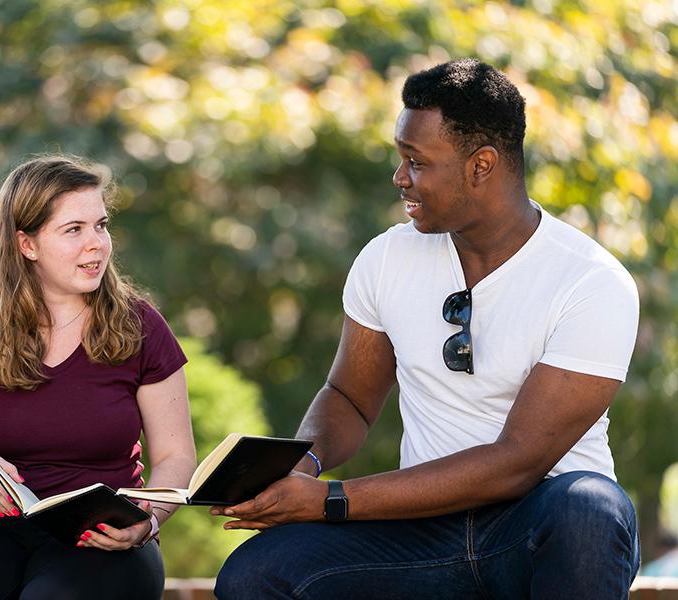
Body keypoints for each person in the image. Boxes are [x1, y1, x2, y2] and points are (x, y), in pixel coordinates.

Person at [213, 59, 641, 599]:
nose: (400, 178)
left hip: (537, 527)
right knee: (254, 576)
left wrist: (332, 499)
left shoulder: (591, 282)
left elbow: (517, 461)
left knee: (591, 509)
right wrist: (294, 464)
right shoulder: (387, 258)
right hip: (418, 536)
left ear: (481, 165)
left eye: (416, 162)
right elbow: (348, 396)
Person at [0, 154, 197, 599]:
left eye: (100, 225)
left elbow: (176, 456)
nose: (97, 244)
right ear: (27, 244)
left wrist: (150, 518)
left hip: (102, 536)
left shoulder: (141, 326)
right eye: (74, 230)